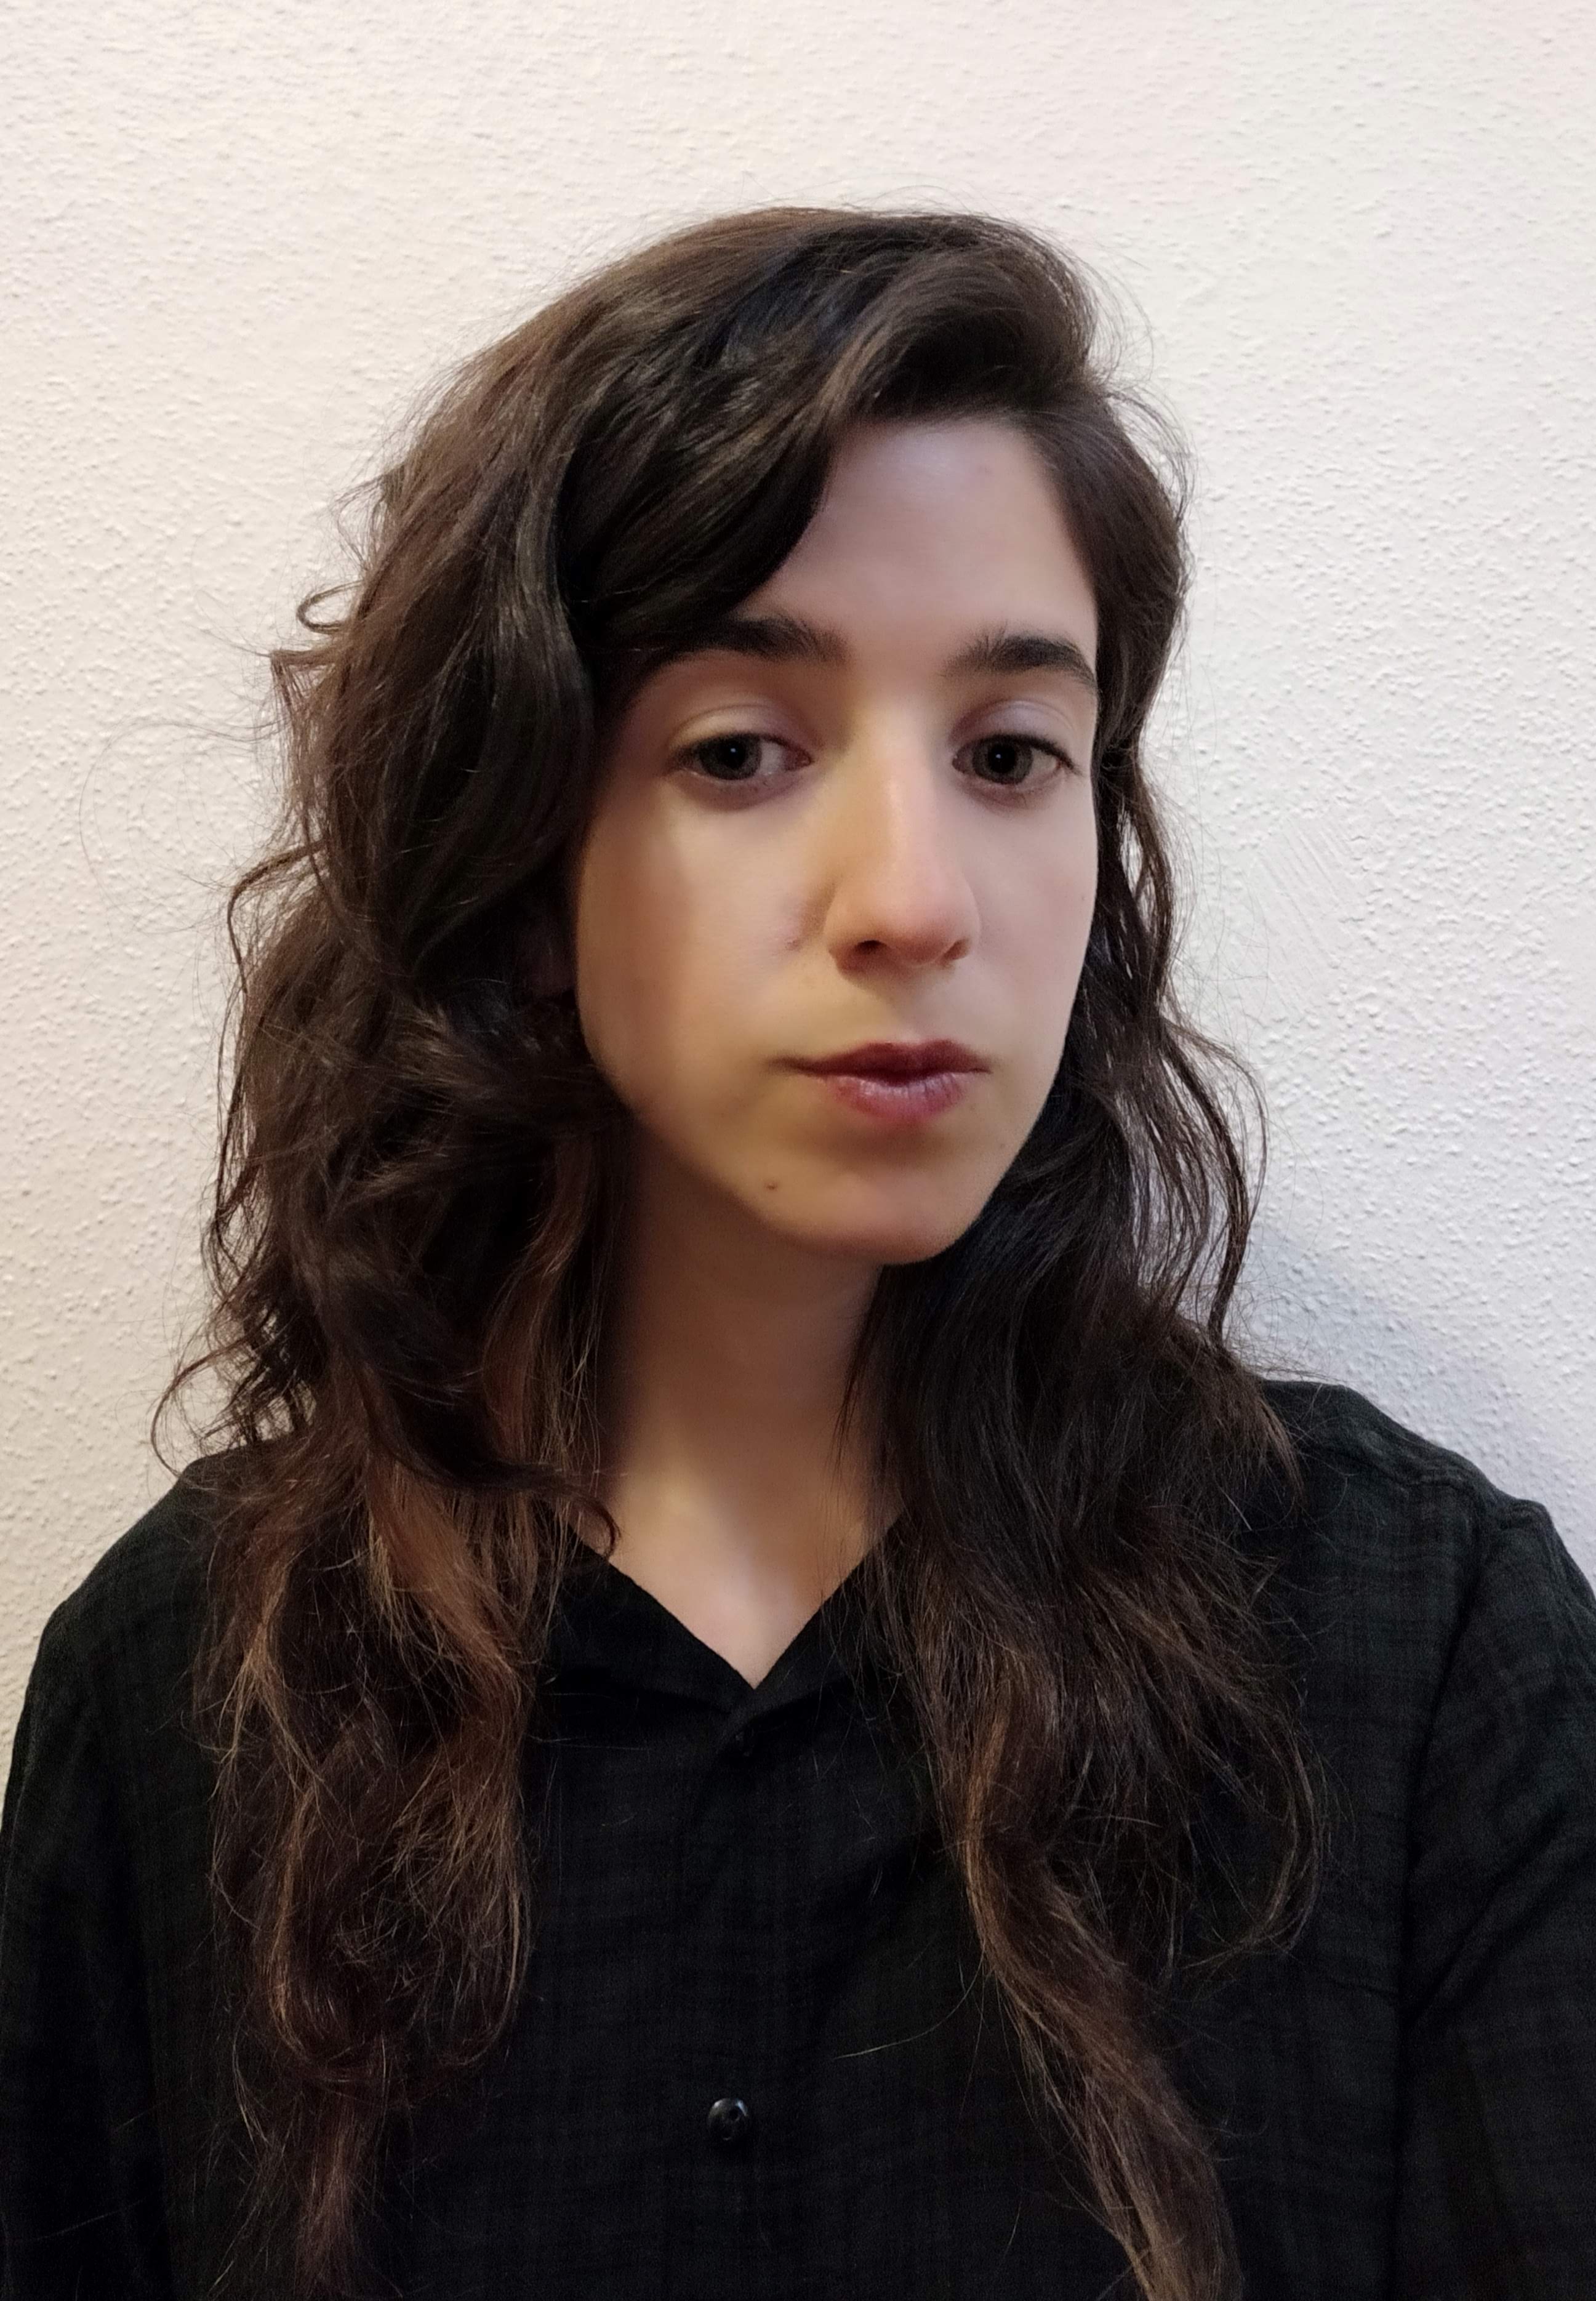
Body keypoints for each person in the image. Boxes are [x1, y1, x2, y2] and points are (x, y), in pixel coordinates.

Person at [1, 206, 1592, 2301]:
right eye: (740, 749)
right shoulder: (193, 1685)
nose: (914, 898)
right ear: (519, 836)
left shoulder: (1425, 1647)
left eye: (1009, 753)